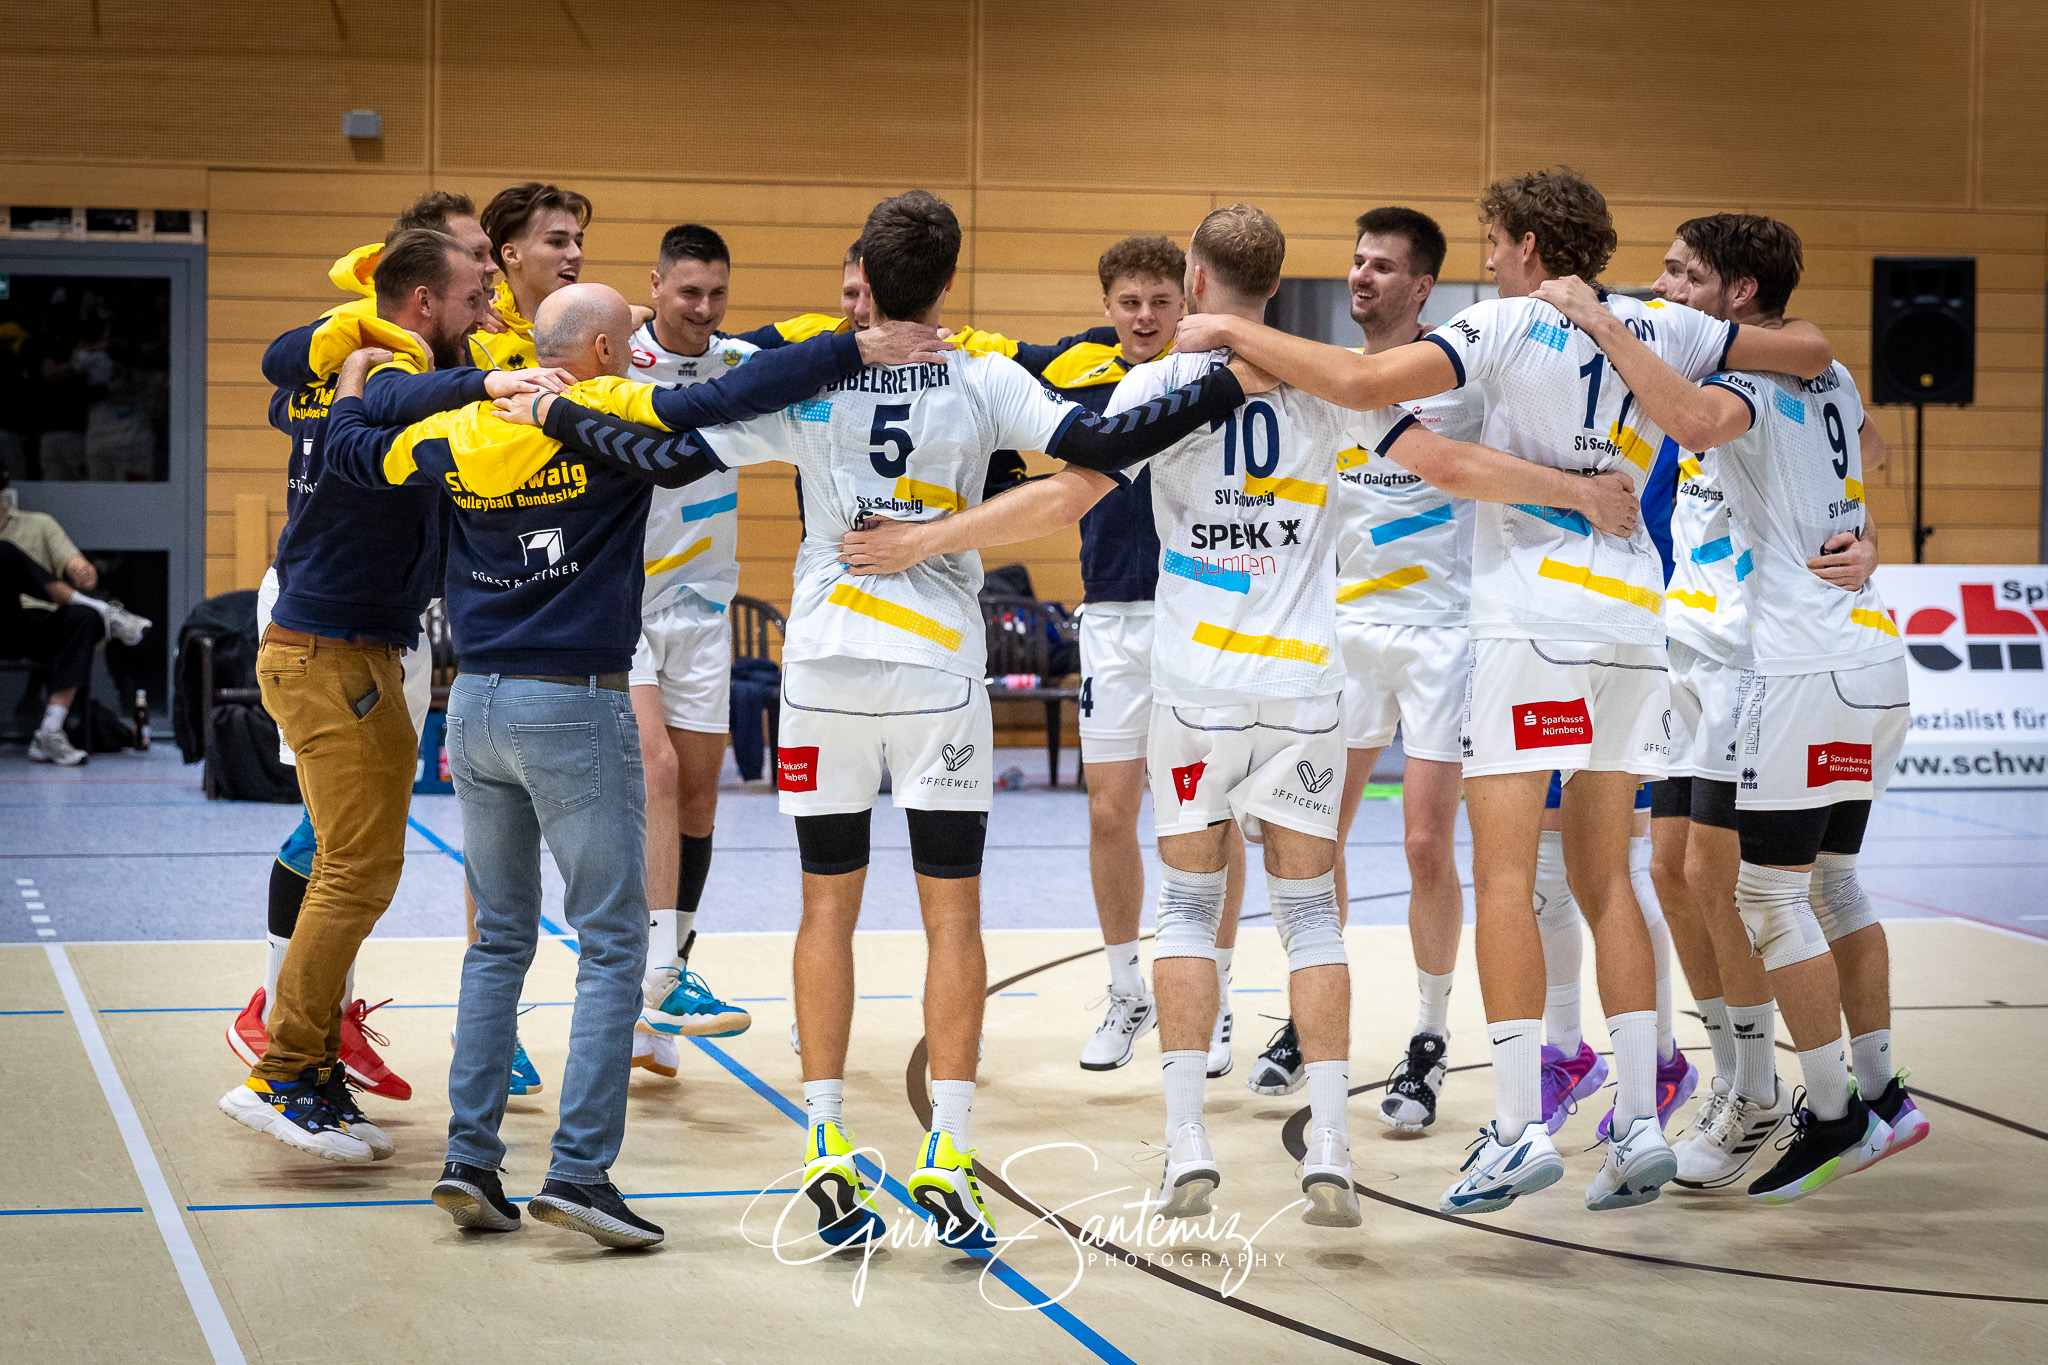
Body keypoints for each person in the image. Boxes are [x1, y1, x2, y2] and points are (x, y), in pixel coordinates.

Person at [839, 203, 1641, 1229]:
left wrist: (925, 538)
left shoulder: (1154, 384)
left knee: (1186, 907)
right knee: (1310, 916)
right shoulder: (1328, 380)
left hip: (1197, 689)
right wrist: (1579, 491)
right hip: (1303, 686)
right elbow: (1447, 466)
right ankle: (1332, 1151)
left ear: (1194, 278)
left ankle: (1186, 1143)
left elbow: (1064, 498)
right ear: (1275, 282)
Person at [512, 191, 1266, 1253]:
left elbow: (669, 449)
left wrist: (552, 413)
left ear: (865, 280)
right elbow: (1102, 445)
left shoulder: (814, 376)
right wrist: (1229, 380)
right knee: (951, 913)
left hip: (823, 667)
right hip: (935, 671)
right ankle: (946, 1151)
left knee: (825, 906)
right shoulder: (984, 375)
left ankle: (824, 1141)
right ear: (947, 282)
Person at [1172, 170, 1836, 1216]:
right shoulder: (1664, 323)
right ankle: (1635, 1123)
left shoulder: (1503, 324)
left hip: (1529, 625)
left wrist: (1226, 327)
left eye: (1492, 242)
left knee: (1504, 877)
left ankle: (1520, 1124)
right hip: (1632, 622)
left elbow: (1360, 385)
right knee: (1608, 879)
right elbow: (1810, 353)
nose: (1485, 260)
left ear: (1527, 245)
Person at [323, 279, 947, 1247]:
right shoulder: (605, 410)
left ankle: (469, 1160)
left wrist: (360, 378)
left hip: (474, 705)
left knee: (497, 941)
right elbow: (717, 401)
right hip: (573, 701)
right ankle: (578, 1172)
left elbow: (354, 451)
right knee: (614, 944)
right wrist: (849, 349)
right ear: (610, 351)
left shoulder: (462, 430)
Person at [1536, 214, 1928, 1203]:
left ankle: (1804, 1101)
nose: (1663, 285)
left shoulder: (1738, 380)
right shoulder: (1799, 371)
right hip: (1729, 653)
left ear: (1739, 293)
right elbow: (1865, 448)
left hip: (1776, 662)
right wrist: (1851, 525)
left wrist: (1600, 320)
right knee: (1702, 871)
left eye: (1683, 272)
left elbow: (1702, 422)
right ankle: (1853, 1092)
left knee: (1756, 890)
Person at [218, 231, 567, 1162]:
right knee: (351, 867)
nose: (487, 309)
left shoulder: (377, 367)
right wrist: (491, 383)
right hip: (325, 651)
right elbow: (390, 392)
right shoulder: (381, 366)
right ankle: (282, 1069)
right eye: (474, 293)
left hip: (355, 648)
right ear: (421, 302)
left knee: (360, 865)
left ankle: (310, 1065)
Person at [1246, 207, 1473, 1135]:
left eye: (1382, 265)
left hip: (1441, 634)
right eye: (1356, 261)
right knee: (1315, 837)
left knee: (1424, 844)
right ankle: (1314, 1016)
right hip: (1346, 635)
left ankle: (1430, 1034)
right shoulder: (1329, 380)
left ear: (1422, 287)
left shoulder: (1463, 378)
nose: (1361, 276)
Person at [622, 224, 761, 1078]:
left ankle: (658, 999)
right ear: (656, 285)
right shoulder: (615, 358)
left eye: (716, 294)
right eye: (688, 292)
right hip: (623, 606)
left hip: (704, 609)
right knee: (659, 773)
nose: (703, 308)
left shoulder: (741, 365)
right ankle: (654, 979)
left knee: (701, 801)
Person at [476, 182, 594, 369]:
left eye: (578, 243)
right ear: (512, 255)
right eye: (556, 242)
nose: (576, 254)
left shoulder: (598, 335)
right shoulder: (479, 341)